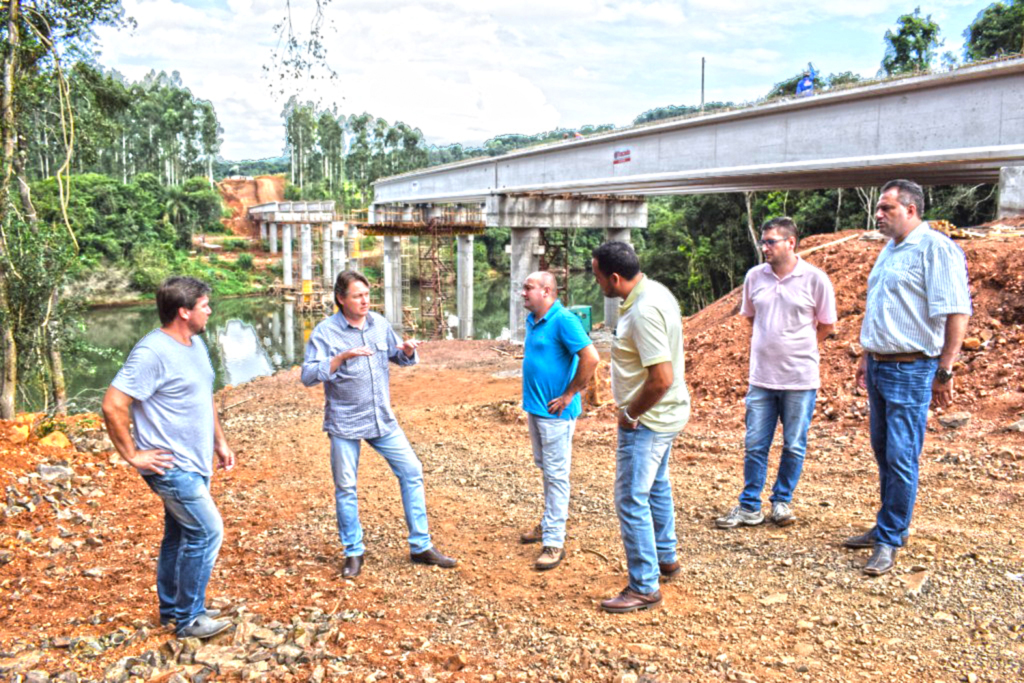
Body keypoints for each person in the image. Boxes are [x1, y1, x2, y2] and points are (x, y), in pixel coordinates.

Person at [846, 179, 971, 576]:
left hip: (912, 367)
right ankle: (886, 524)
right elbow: (880, 307)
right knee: (883, 450)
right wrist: (868, 354)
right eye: (879, 209)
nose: (878, 215)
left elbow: (956, 310)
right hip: (881, 364)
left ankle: (890, 538)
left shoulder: (936, 249)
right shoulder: (890, 250)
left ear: (911, 210)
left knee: (901, 455)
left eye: (887, 208)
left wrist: (946, 368)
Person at [102, 276, 234, 640]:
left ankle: (172, 610)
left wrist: (219, 441)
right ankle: (190, 618)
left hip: (196, 459)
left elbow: (203, 395)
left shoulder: (194, 343)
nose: (209, 311)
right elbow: (113, 404)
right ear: (183, 311)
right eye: (204, 305)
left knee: (179, 536)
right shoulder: (152, 352)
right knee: (207, 532)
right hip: (170, 466)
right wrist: (132, 455)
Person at [301, 270, 456, 579]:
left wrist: (408, 351)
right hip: (344, 421)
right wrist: (339, 358)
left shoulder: (379, 324)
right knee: (346, 487)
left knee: (412, 470)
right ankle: (353, 553)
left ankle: (420, 546)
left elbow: (399, 356)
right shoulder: (325, 332)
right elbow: (307, 376)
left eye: (367, 295)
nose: (365, 301)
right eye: (357, 296)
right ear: (341, 299)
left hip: (381, 418)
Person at [716, 217, 836, 530]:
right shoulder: (755, 277)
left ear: (791, 242)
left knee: (794, 443)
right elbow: (751, 318)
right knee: (755, 443)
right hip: (761, 379)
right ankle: (749, 506)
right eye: (763, 242)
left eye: (771, 241)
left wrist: (801, 347)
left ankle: (782, 502)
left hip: (800, 379)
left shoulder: (815, 279)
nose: (765, 247)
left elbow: (827, 325)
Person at [591, 241, 690, 613]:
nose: (597, 281)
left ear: (615, 278)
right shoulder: (655, 291)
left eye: (598, 275)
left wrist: (631, 414)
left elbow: (660, 378)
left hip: (649, 419)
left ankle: (644, 585)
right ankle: (665, 557)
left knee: (631, 498)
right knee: (656, 485)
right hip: (667, 414)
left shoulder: (643, 311)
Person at [519, 271, 599, 570]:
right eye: (523, 288)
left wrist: (569, 394)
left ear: (547, 291)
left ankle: (554, 540)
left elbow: (591, 357)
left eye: (529, 288)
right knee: (546, 469)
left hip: (556, 413)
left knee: (556, 475)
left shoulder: (564, 320)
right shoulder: (534, 321)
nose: (523, 293)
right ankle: (548, 522)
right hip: (537, 409)